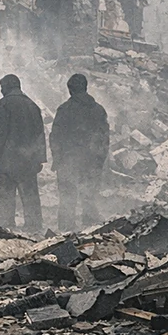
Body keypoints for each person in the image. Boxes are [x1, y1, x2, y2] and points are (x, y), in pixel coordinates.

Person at [49, 73, 110, 230]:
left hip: (68, 162)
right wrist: (100, 161)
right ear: (85, 87)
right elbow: (104, 138)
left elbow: (55, 137)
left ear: (70, 90)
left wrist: (57, 159)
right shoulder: (98, 110)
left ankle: (66, 232)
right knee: (89, 197)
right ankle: (91, 232)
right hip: (91, 161)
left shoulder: (64, 110)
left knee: (67, 198)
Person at [0, 74, 46, 233]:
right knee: (30, 194)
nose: (1, 91)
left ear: (7, 87)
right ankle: (34, 226)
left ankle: (6, 227)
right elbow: (39, 133)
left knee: (5, 195)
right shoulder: (32, 105)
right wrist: (40, 158)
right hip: (28, 159)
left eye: (2, 87)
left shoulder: (3, 105)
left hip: (8, 160)